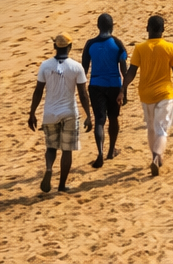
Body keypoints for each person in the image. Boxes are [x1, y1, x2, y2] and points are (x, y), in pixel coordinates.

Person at [27, 33, 92, 193]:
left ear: (55, 47)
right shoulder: (77, 67)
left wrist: (32, 113)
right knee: (66, 149)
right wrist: (89, 115)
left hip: (50, 113)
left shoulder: (45, 66)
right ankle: (62, 185)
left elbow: (38, 91)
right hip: (69, 112)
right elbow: (83, 94)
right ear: (69, 47)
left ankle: (49, 168)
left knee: (50, 147)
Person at [123, 15, 173, 176]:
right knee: (162, 129)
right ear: (163, 30)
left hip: (146, 94)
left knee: (151, 127)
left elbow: (131, 72)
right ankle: (157, 156)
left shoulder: (140, 48)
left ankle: (155, 155)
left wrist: (123, 88)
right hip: (165, 93)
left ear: (147, 28)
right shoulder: (170, 47)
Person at [81, 15, 128, 168]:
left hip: (96, 85)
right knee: (113, 118)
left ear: (98, 26)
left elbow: (84, 69)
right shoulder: (117, 43)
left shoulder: (90, 44)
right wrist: (124, 90)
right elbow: (123, 68)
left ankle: (100, 152)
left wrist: (83, 90)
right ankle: (111, 151)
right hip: (114, 84)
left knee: (100, 120)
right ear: (112, 26)